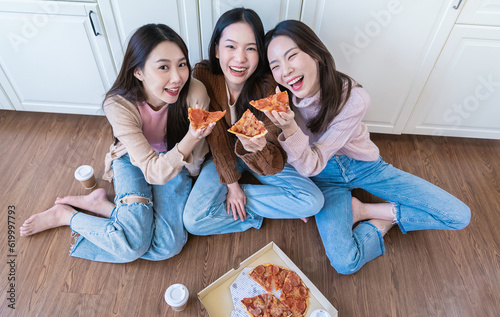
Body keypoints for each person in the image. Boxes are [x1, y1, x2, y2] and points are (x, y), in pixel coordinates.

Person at [264, 20, 471, 274]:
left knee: (459, 216)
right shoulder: (277, 105)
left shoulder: (354, 98)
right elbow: (306, 167)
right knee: (344, 263)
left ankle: (365, 210)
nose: (285, 71)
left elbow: (313, 159)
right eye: (275, 66)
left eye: (291, 56)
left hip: (365, 167)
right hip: (323, 179)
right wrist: (302, 193)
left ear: (315, 53)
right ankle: (380, 222)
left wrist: (290, 129)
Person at [20, 24, 215, 263]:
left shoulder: (195, 93)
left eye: (182, 64)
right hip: (132, 159)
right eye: (164, 67)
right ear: (138, 72)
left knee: (166, 246)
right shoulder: (118, 104)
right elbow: (153, 172)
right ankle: (67, 216)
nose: (177, 78)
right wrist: (193, 136)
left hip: (176, 160)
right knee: (132, 246)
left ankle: (105, 208)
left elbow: (182, 160)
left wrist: (191, 142)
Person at [183, 8, 324, 235]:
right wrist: (232, 186)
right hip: (219, 158)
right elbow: (217, 138)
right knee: (193, 221)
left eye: (251, 48)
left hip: (261, 157)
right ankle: (269, 208)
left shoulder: (269, 87)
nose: (240, 58)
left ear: (261, 54)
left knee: (313, 201)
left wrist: (256, 151)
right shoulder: (203, 75)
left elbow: (274, 159)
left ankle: (246, 203)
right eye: (230, 46)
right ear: (217, 49)